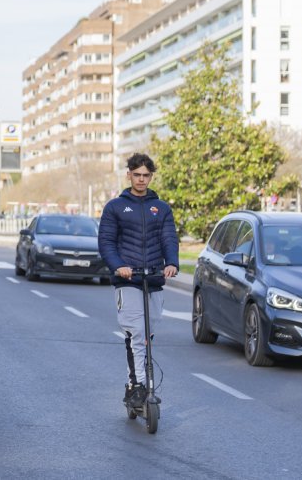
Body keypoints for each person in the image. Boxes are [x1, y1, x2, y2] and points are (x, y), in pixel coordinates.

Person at [97, 152, 179, 411]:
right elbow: (106, 242)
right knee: (136, 333)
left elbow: (169, 238)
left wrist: (172, 263)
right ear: (129, 174)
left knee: (147, 336)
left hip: (153, 278)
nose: (141, 179)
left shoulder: (162, 208)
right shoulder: (115, 207)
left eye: (146, 175)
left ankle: (138, 383)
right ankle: (138, 385)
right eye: (137, 175)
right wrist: (118, 266)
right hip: (128, 280)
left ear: (151, 176)